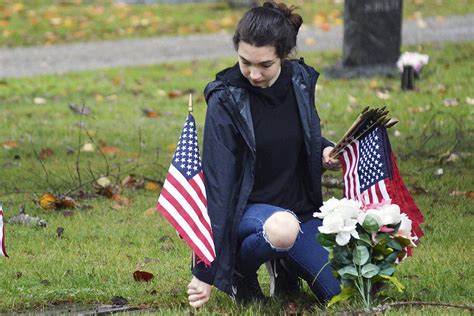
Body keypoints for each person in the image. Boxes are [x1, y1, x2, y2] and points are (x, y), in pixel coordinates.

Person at [187, 1, 341, 308]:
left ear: (283, 55)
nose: (254, 74)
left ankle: (284, 265)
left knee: (337, 293)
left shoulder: (299, 81)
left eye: (265, 65)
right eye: (246, 62)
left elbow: (297, 134)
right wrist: (204, 270)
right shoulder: (225, 98)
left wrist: (324, 148)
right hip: (249, 213)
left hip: (300, 209)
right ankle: (241, 274)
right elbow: (217, 185)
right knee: (282, 229)